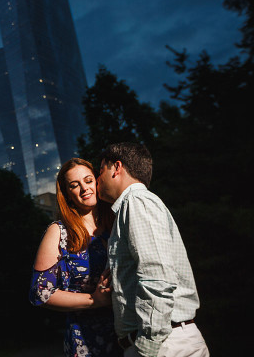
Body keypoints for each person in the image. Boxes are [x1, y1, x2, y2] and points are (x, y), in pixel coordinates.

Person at [97, 142, 209, 357]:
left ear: (117, 168)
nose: (98, 178)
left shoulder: (137, 201)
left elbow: (157, 276)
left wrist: (147, 346)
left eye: (101, 169)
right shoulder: (133, 205)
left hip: (163, 344)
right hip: (163, 341)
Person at [29, 158, 123, 357]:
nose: (84, 189)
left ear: (97, 182)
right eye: (74, 185)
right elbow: (40, 293)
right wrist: (94, 300)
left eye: (88, 181)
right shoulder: (59, 232)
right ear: (67, 195)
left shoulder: (117, 223)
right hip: (88, 341)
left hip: (128, 333)